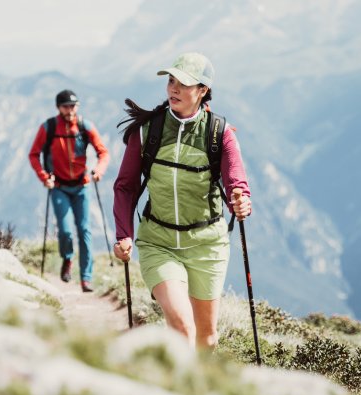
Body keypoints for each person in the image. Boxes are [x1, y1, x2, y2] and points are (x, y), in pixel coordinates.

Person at [113, 52, 252, 349]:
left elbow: (235, 182)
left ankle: (197, 394)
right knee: (181, 325)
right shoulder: (148, 131)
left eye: (184, 83)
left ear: (202, 90)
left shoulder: (220, 133)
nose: (173, 88)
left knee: (208, 340)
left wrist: (241, 202)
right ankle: (177, 390)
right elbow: (125, 187)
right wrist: (124, 234)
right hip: (159, 242)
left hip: (207, 244)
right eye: (171, 81)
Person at [29, 89, 109, 293]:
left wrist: (99, 171)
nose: (70, 110)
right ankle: (67, 259)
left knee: (84, 231)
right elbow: (34, 155)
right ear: (58, 107)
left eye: (73, 106)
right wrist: (44, 177)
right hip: (59, 187)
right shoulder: (49, 127)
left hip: (82, 186)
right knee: (65, 231)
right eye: (66, 106)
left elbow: (103, 152)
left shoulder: (85, 126)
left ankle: (86, 278)